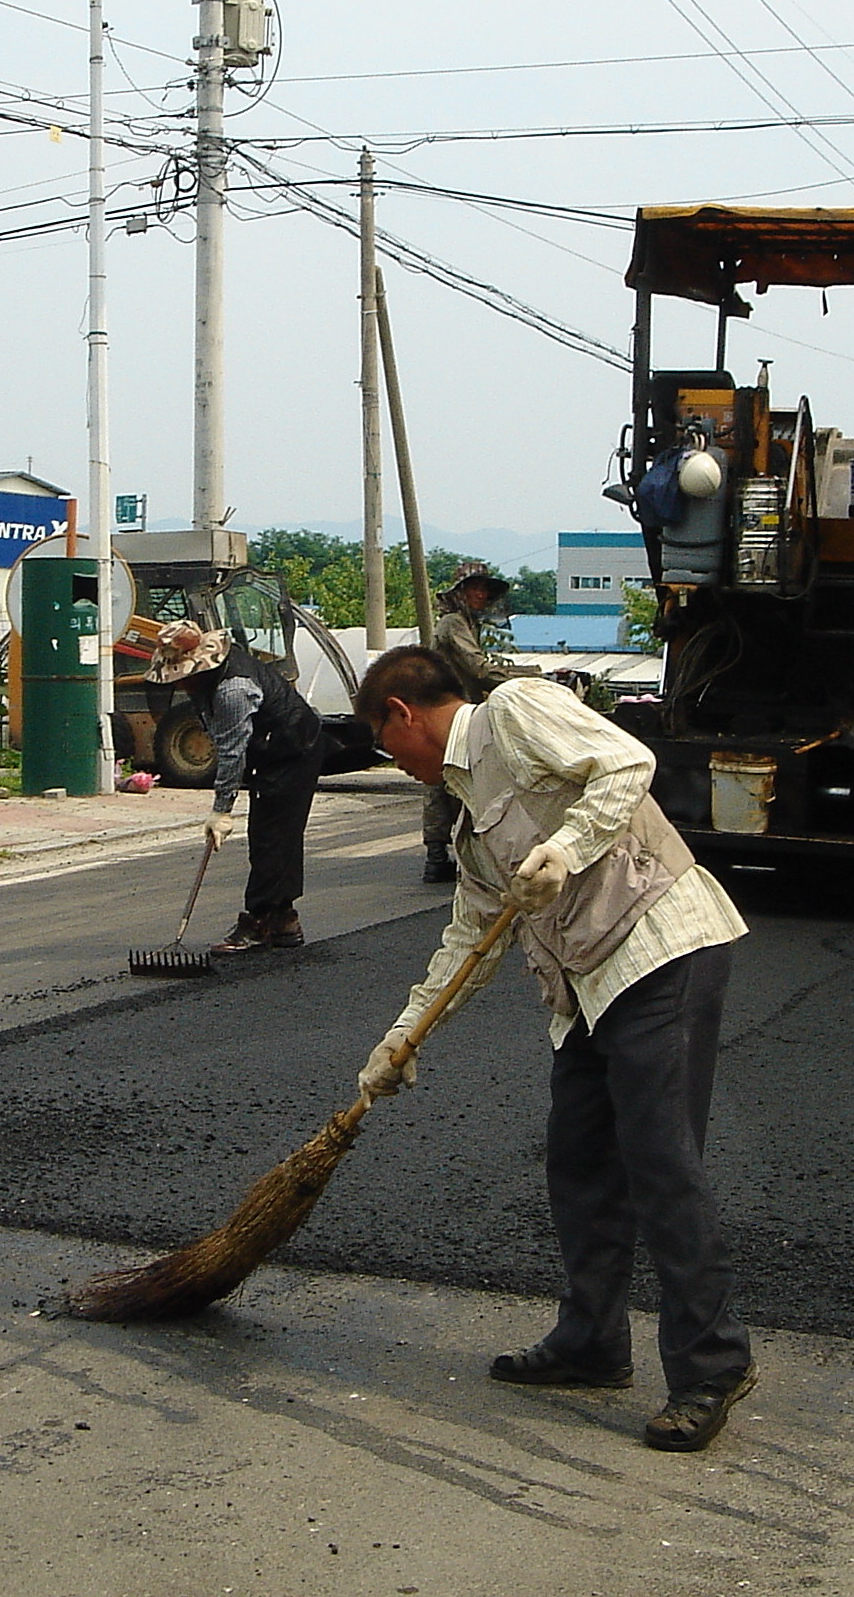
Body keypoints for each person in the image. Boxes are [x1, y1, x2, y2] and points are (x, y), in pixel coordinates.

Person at [353, 645, 755, 1453]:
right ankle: (592, 1342)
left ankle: (711, 1367)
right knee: (579, 1164)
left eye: (382, 741)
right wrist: (402, 1036)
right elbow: (469, 938)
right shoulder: (468, 820)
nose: (391, 762)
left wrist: (567, 849)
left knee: (660, 1163)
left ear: (401, 712)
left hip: (659, 947)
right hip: (587, 986)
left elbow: (627, 762)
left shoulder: (514, 711)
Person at [146, 618, 323, 955]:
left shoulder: (233, 689)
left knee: (273, 836)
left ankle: (260, 921)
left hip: (293, 749)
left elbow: (231, 753)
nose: (179, 683)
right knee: (274, 836)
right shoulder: (207, 680)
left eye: (182, 676)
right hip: (274, 747)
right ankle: (283, 920)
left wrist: (221, 810)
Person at [420, 564, 525, 883]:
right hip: (444, 712)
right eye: (474, 589)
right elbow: (478, 668)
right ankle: (438, 854)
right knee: (445, 780)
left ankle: (453, 852)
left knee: (459, 778)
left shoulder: (466, 623)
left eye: (484, 590)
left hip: (458, 710)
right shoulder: (453, 623)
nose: (480, 595)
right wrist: (528, 678)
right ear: (460, 593)